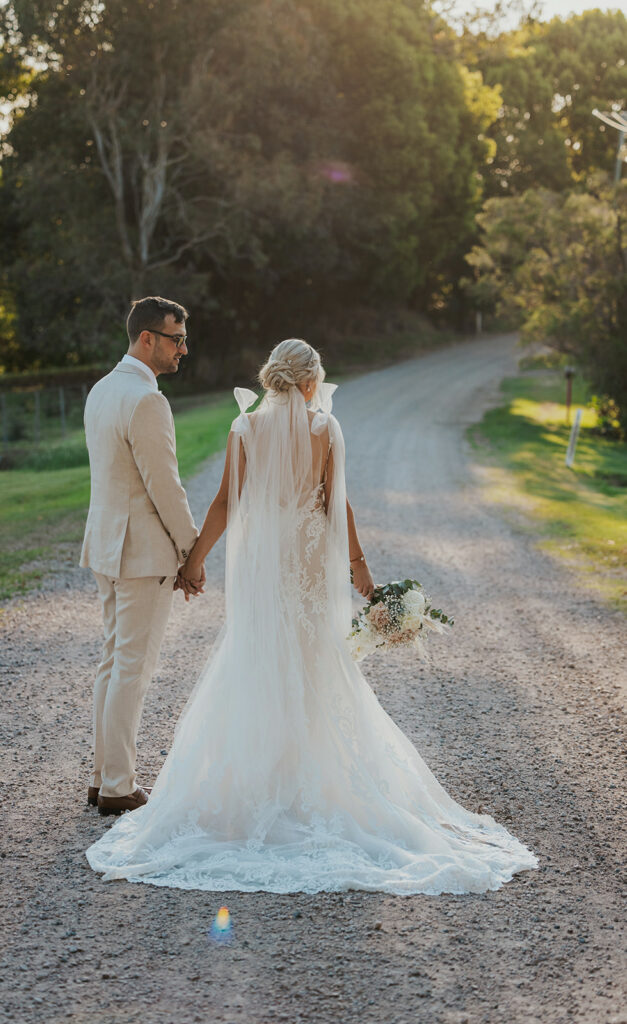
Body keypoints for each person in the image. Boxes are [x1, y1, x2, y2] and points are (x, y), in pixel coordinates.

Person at [86, 339, 538, 894]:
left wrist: (194, 562)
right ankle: (312, 782)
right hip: (303, 566)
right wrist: (360, 570)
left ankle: (259, 785)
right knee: (312, 662)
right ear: (307, 382)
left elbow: (226, 502)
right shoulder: (326, 429)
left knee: (258, 661)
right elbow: (336, 502)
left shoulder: (244, 428)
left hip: (263, 570)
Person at [80, 296, 203, 818]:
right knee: (131, 667)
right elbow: (165, 487)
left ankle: (103, 776)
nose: (183, 349)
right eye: (176, 339)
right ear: (147, 338)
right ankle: (118, 787)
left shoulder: (102, 389)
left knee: (113, 663)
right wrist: (191, 550)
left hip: (108, 547)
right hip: (140, 554)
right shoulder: (146, 400)